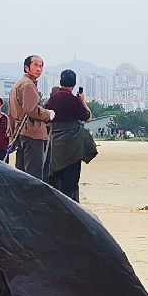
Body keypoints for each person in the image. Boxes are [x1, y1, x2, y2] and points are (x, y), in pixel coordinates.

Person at [45, 69, 96, 200]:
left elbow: (45, 118)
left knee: (56, 179)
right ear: (74, 84)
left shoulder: (53, 99)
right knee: (71, 182)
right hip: (73, 147)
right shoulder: (73, 100)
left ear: (61, 82)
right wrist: (82, 101)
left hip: (56, 145)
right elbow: (89, 117)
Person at [9, 56, 53, 180]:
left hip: (21, 133)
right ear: (26, 67)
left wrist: (12, 135)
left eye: (41, 66)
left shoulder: (18, 84)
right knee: (33, 175)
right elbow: (31, 110)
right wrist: (48, 114)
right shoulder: (27, 85)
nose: (39, 69)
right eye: (36, 65)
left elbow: (11, 114)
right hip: (32, 133)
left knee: (22, 173)